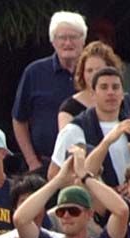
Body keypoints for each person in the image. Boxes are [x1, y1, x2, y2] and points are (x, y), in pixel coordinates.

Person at [12, 11, 88, 173]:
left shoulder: (93, 73)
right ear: (53, 41)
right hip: (43, 165)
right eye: (62, 37)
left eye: (73, 37)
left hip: (88, 165)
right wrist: (32, 161)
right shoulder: (34, 72)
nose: (68, 43)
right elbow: (19, 120)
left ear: (83, 40)